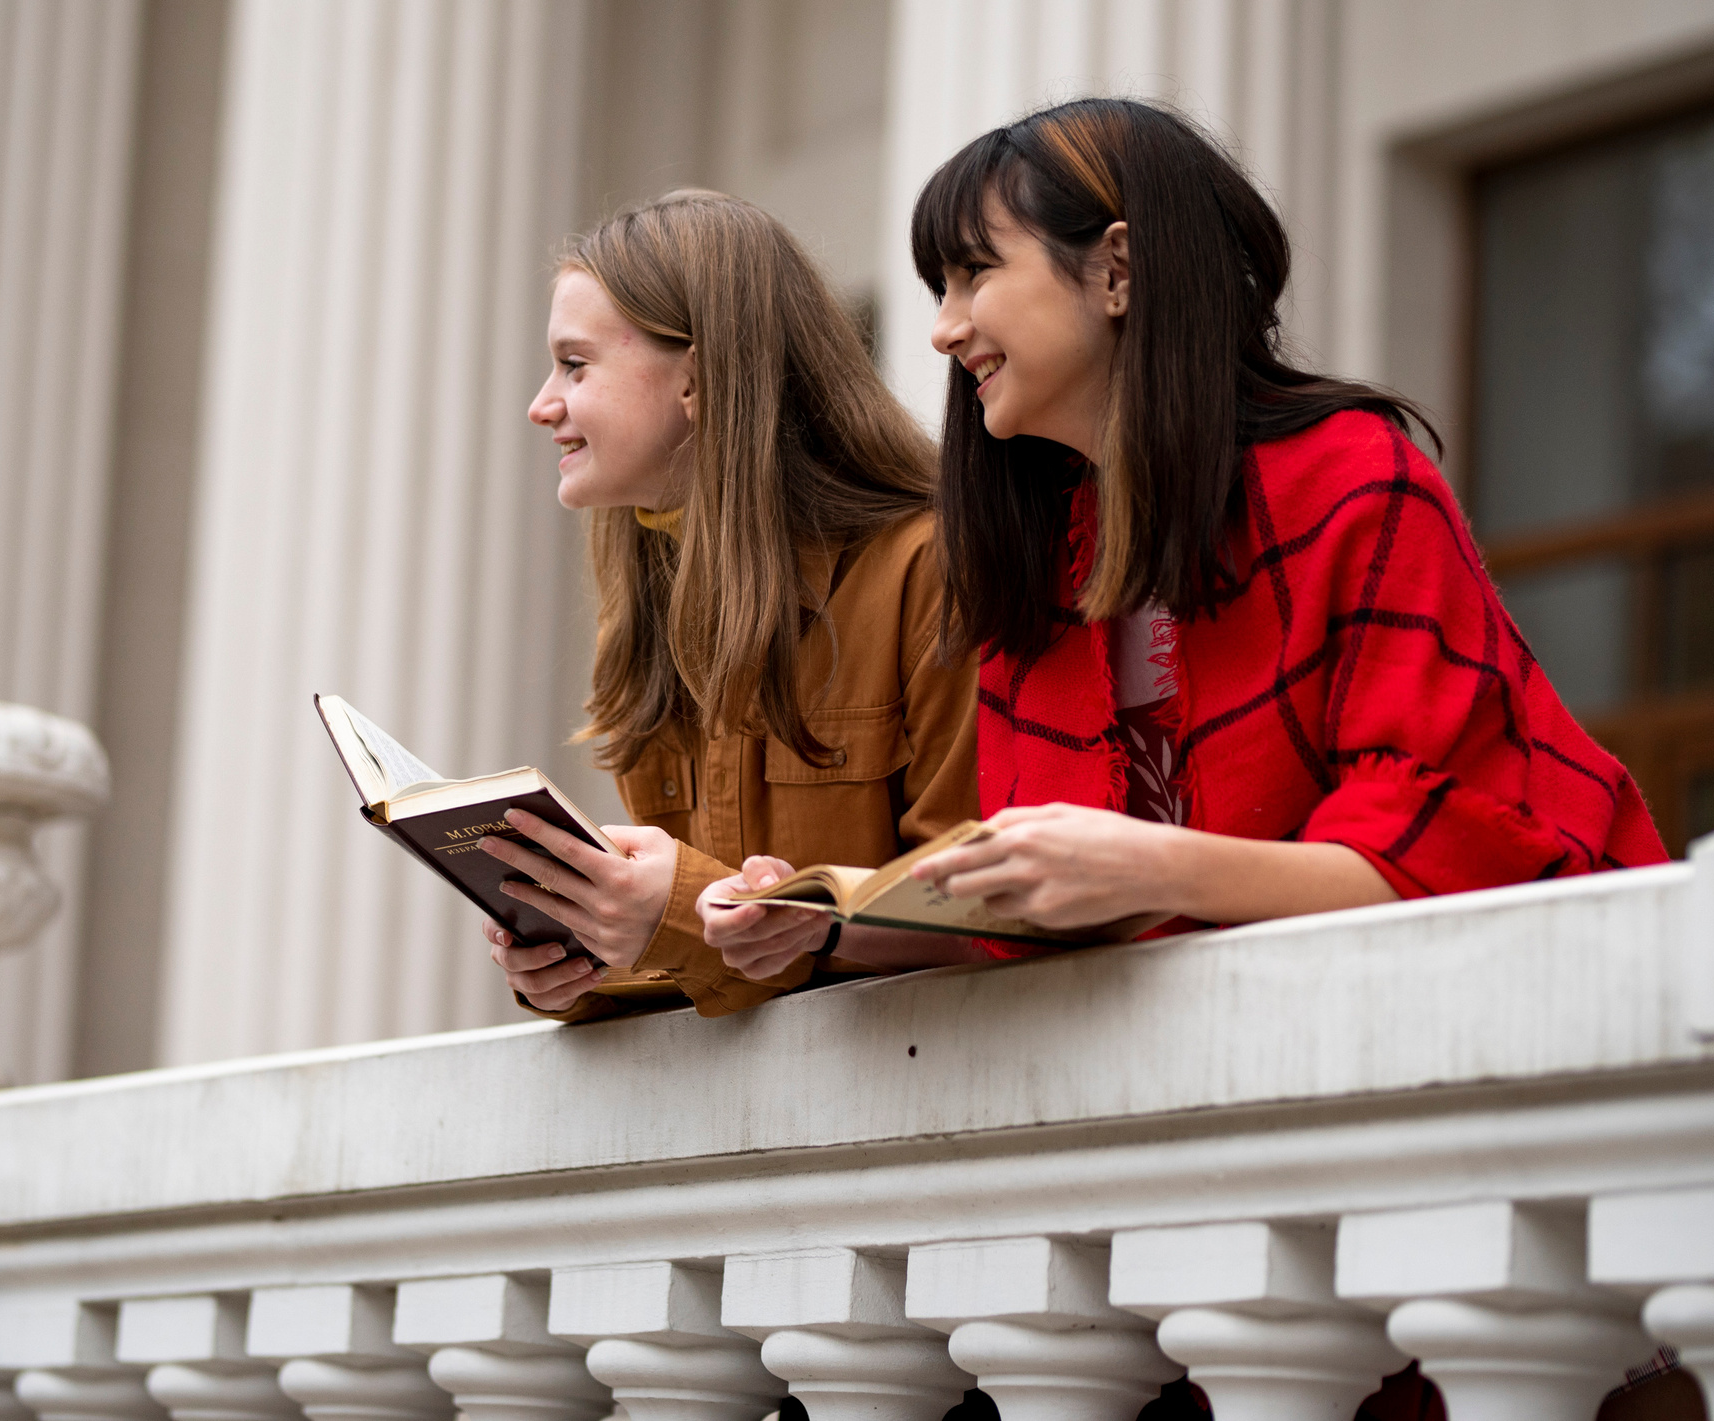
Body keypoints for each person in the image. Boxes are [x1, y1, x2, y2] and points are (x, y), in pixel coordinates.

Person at [700, 97, 1665, 986]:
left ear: (1117, 269)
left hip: (1554, 1009)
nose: (946, 330)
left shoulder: (1354, 478)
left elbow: (1444, 850)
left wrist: (1150, 867)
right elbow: (1040, 919)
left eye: (973, 273)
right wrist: (824, 922)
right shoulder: (1035, 563)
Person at [482, 189, 979, 1020]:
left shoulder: (929, 571)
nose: (543, 405)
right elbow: (735, 972)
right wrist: (589, 952)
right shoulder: (647, 613)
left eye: (575, 365)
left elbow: (987, 912)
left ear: (698, 380)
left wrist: (676, 909)